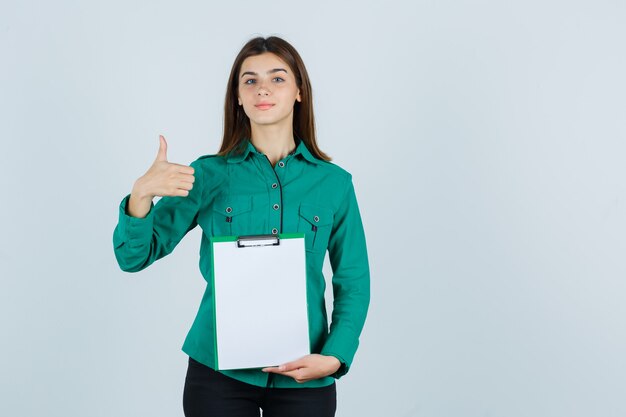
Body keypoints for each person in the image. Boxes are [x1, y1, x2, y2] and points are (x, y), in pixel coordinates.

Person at [112, 35, 370, 417]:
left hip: (306, 374)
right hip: (218, 376)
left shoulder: (334, 184)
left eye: (278, 78)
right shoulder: (206, 174)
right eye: (249, 80)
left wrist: (335, 355)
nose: (262, 88)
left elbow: (354, 280)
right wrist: (141, 196)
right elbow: (133, 257)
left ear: (299, 91)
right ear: (237, 96)